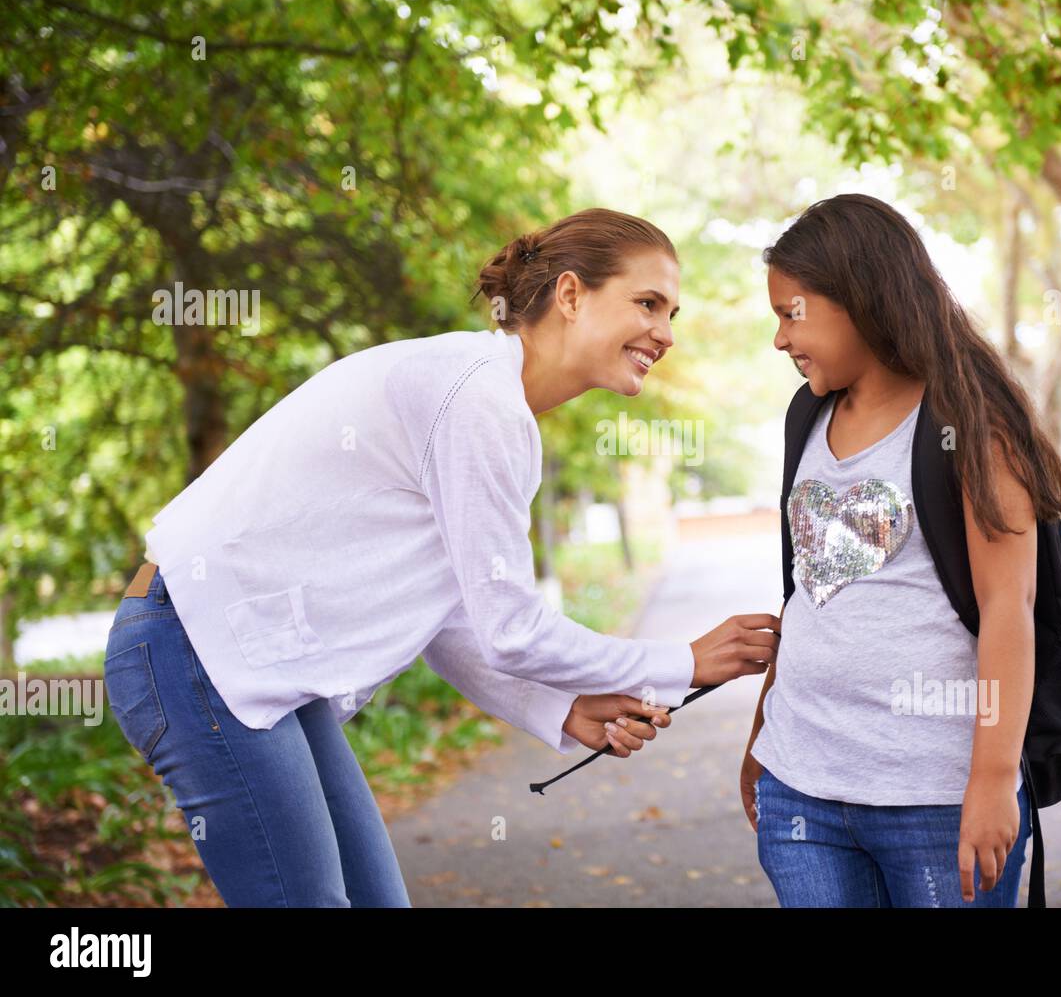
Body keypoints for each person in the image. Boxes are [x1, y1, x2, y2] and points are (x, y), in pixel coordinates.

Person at [103, 207, 780, 907]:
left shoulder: (497, 407)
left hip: (255, 662)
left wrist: (558, 709)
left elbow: (454, 616)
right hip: (190, 647)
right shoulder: (476, 396)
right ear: (572, 295)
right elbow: (511, 629)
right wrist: (681, 663)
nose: (665, 334)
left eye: (671, 312)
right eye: (647, 304)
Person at [740, 194, 1061, 907]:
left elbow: (1007, 609)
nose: (779, 340)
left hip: (934, 799)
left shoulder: (971, 424)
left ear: (862, 297)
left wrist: (989, 779)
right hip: (803, 791)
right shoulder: (809, 413)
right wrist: (763, 734)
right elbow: (807, 591)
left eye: (790, 314)